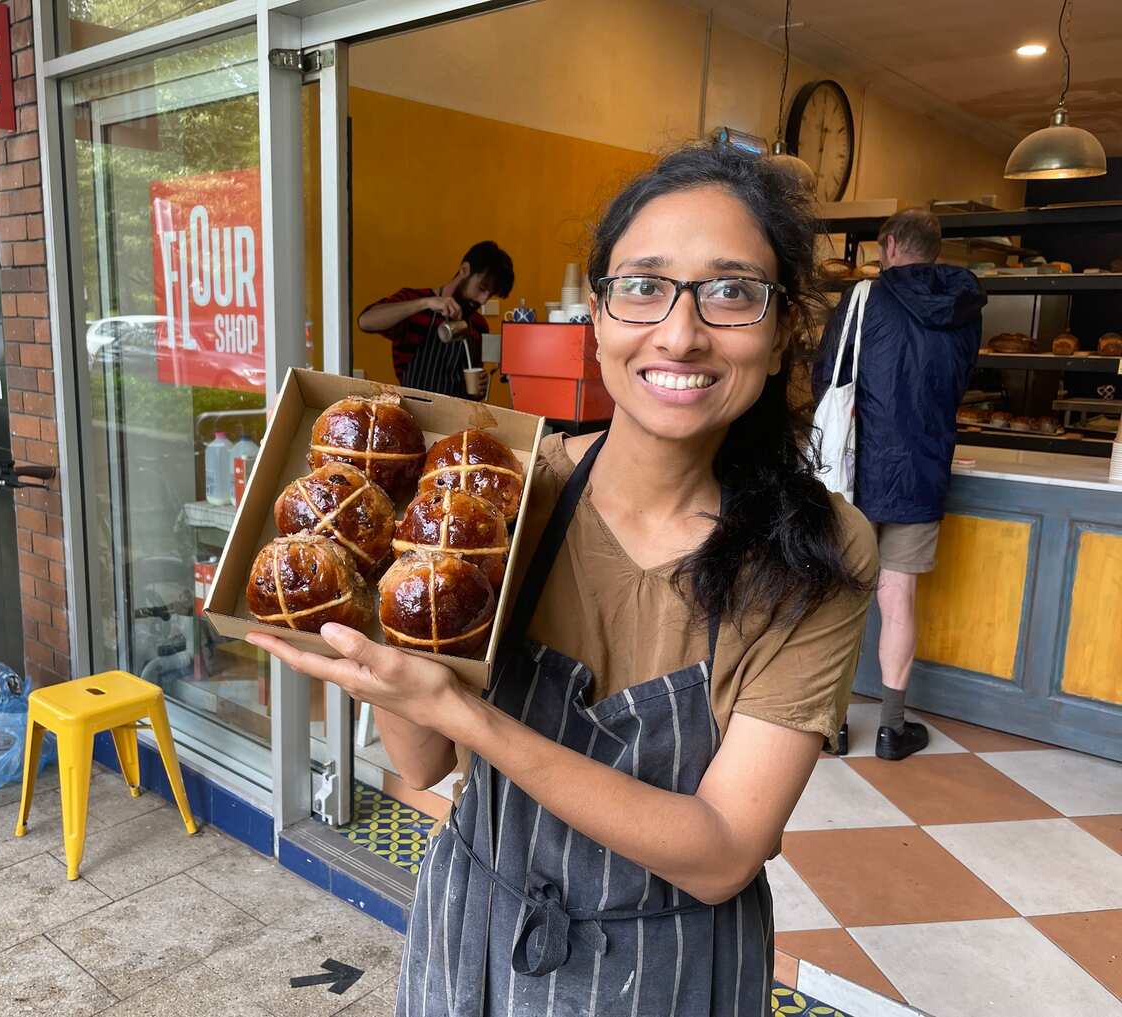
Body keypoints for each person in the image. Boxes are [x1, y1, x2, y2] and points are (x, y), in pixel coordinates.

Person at [248, 144, 876, 1014]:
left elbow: (725, 847)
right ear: (599, 315)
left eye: (731, 291)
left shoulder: (816, 553)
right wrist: (371, 618)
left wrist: (469, 714)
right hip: (472, 936)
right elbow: (424, 759)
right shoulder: (503, 495)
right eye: (644, 285)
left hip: (669, 968)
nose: (681, 331)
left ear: (781, 333)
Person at [813, 208, 985, 760]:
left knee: (842, 596)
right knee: (899, 600)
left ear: (887, 245)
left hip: (856, 472)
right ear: (935, 250)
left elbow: (829, 377)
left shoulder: (864, 299)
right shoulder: (966, 307)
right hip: (924, 469)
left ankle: (833, 725)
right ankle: (891, 729)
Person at [357, 241, 514, 398]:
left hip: (457, 417)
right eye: (481, 288)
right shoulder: (415, 303)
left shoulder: (478, 325)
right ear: (465, 270)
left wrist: (478, 386)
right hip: (417, 413)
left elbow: (472, 377)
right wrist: (425, 303)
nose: (483, 300)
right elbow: (365, 321)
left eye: (490, 294)